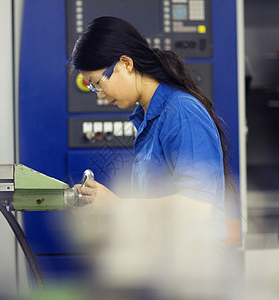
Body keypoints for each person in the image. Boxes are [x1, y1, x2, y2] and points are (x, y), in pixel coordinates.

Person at [71, 16, 235, 246]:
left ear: (126, 64)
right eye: (92, 87)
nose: (99, 94)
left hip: (195, 270)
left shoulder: (181, 113)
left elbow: (197, 207)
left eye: (98, 82)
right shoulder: (149, 119)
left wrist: (116, 204)